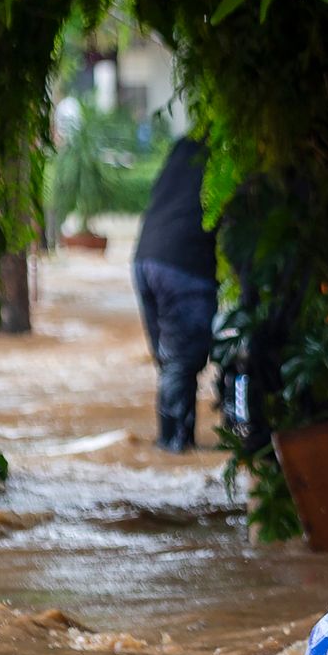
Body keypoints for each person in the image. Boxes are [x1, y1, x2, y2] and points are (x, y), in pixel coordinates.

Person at [131, 137, 219, 452]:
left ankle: (170, 441)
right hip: (184, 266)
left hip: (145, 260)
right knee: (181, 361)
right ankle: (175, 444)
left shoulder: (184, 148)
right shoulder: (223, 157)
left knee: (169, 360)